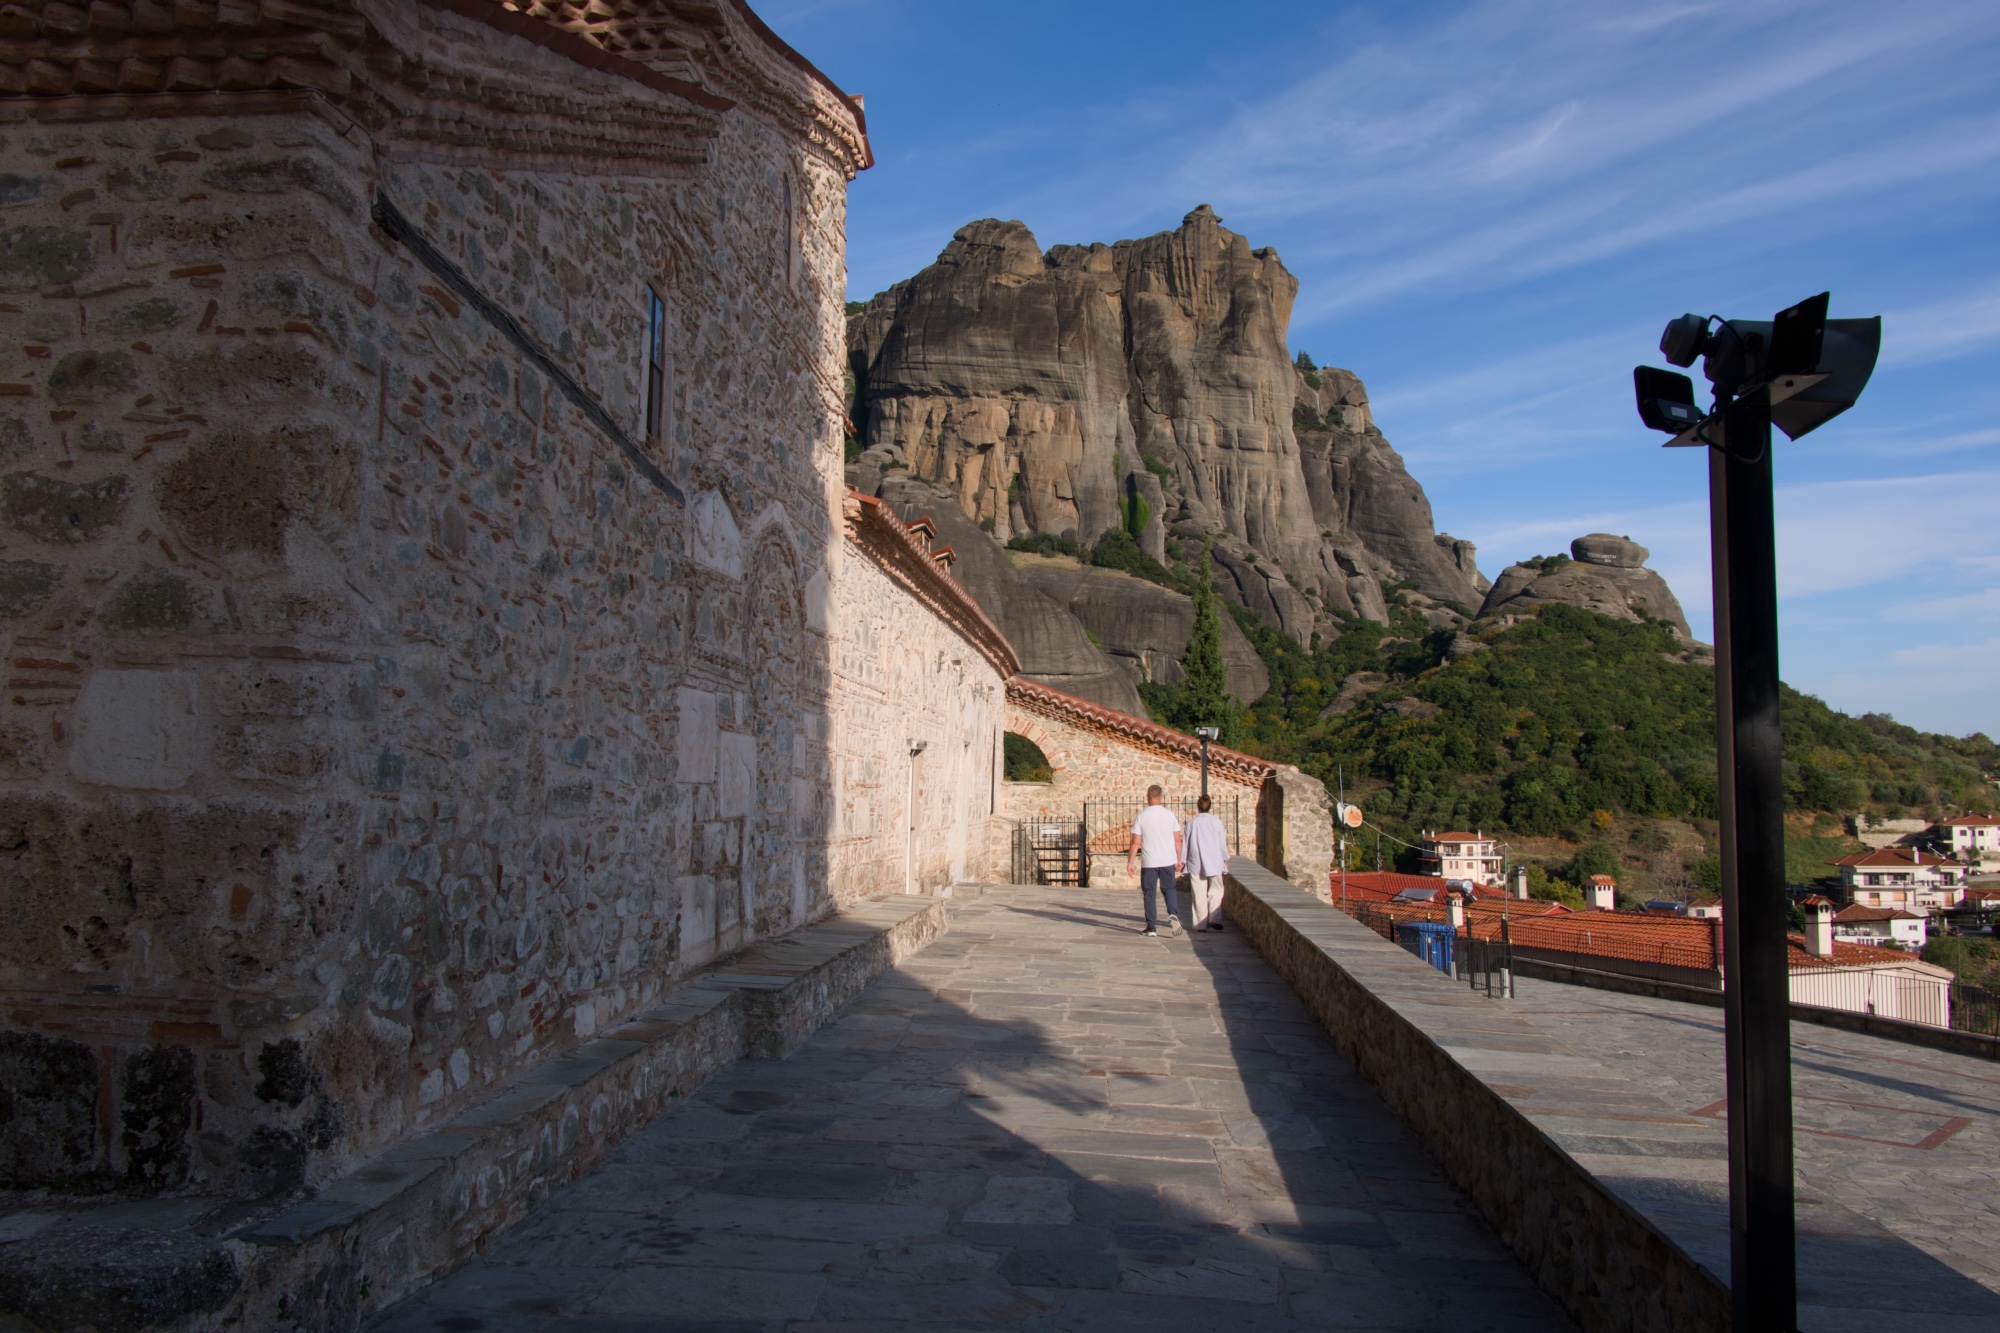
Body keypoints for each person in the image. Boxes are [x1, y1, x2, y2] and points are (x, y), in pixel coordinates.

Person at [1126, 784, 1183, 937]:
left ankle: (1151, 927)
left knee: (1149, 892)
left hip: (1149, 862)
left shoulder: (1142, 816)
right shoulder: (1170, 815)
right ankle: (1173, 913)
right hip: (1168, 859)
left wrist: (1130, 862)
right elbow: (1177, 840)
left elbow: (1135, 842)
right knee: (1169, 889)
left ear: (1147, 797)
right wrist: (1179, 859)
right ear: (1161, 797)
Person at [1184, 793, 1229, 932]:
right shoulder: (1217, 822)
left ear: (1198, 806)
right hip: (1214, 860)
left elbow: (1186, 844)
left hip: (1196, 861)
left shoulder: (1192, 823)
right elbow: (1222, 844)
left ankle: (1200, 923)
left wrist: (1182, 860)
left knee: (1198, 892)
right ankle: (1214, 917)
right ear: (1210, 806)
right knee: (1216, 889)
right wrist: (1224, 859)